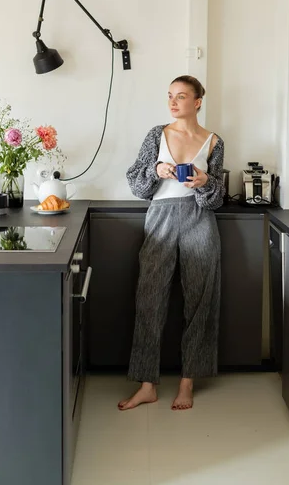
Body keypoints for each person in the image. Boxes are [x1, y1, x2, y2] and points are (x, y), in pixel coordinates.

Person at [118, 75, 225, 412]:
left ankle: (187, 382)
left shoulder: (213, 142)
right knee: (149, 297)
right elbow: (136, 184)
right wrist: (156, 170)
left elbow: (216, 199)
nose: (173, 102)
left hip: (199, 218)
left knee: (201, 299)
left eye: (181, 96)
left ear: (197, 102)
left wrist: (205, 181)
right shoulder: (157, 135)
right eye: (169, 96)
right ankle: (147, 385)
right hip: (160, 216)